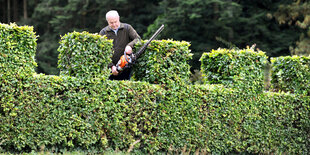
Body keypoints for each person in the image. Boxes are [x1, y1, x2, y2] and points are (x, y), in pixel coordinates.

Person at [99, 10, 141, 80]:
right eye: (111, 23)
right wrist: (111, 66)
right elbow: (101, 52)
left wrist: (130, 46)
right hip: (109, 70)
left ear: (119, 18)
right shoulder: (103, 32)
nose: (114, 24)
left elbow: (138, 39)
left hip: (126, 68)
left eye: (115, 22)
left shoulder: (127, 28)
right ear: (107, 21)